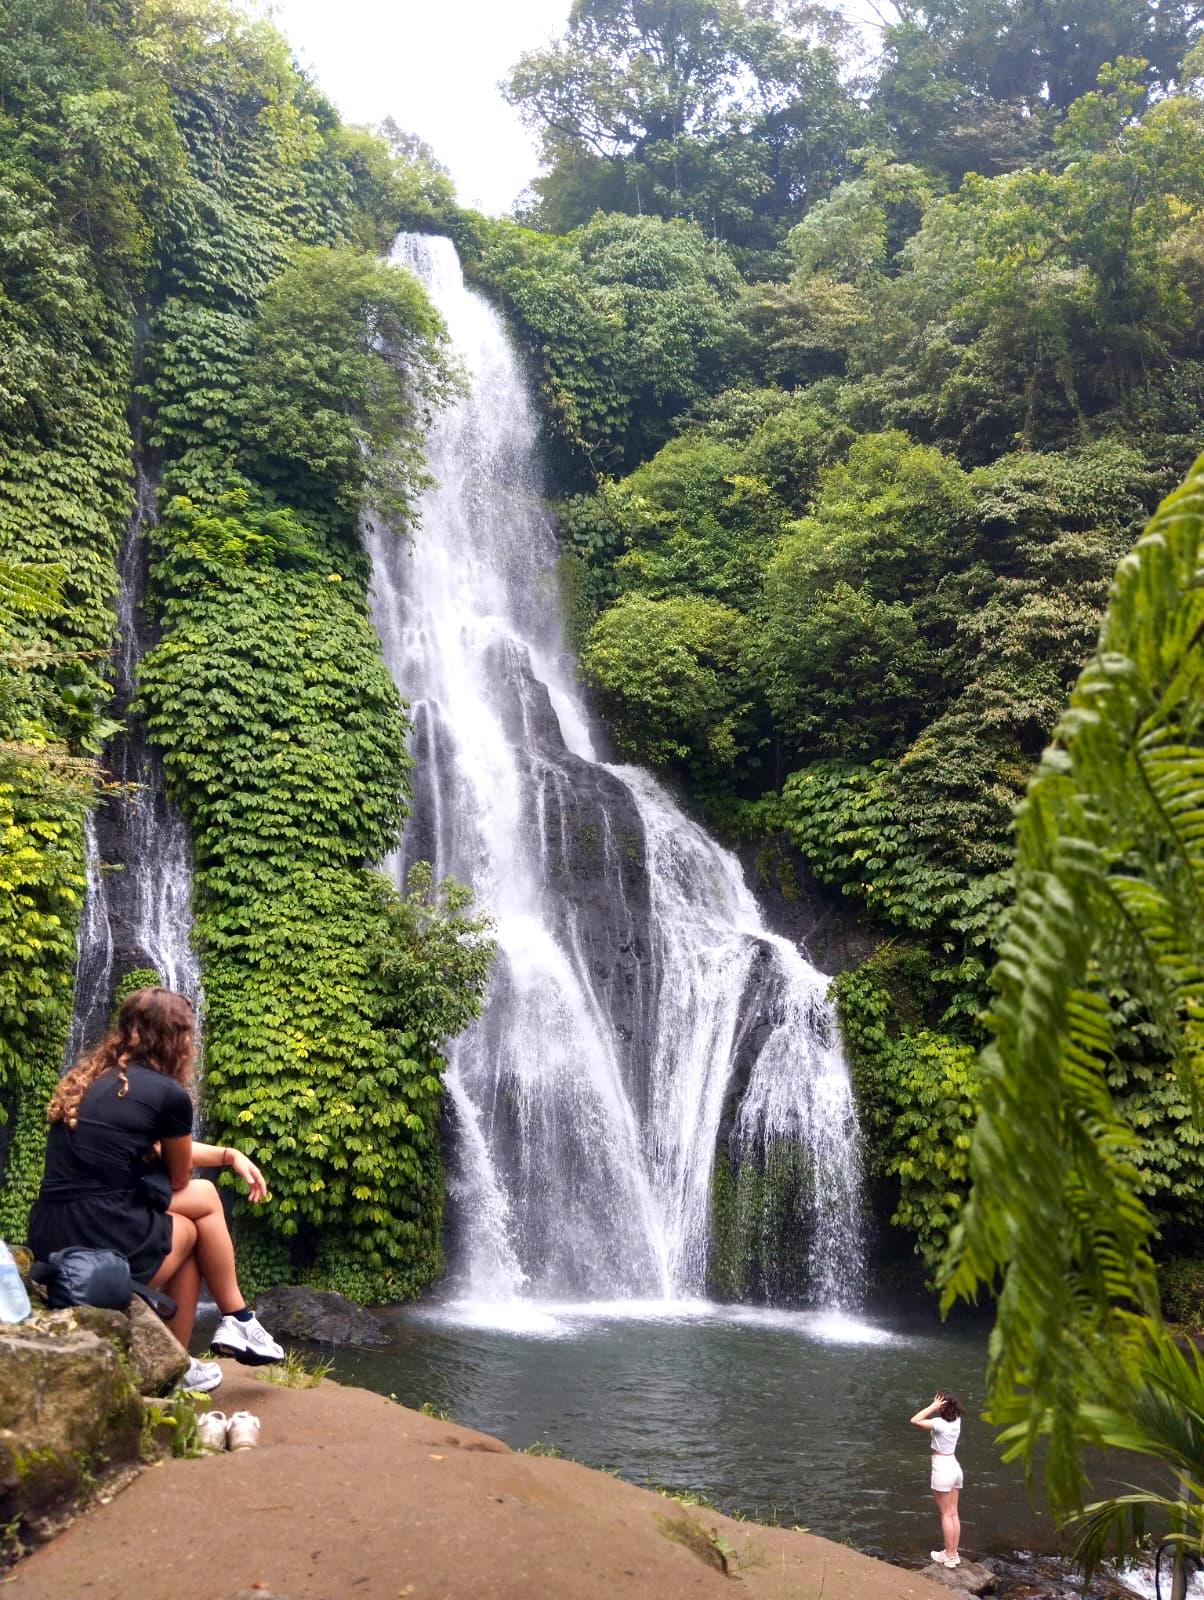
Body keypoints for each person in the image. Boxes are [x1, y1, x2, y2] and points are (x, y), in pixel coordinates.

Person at [28, 986, 284, 1392]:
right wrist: (228, 1157)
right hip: (99, 1236)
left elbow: (156, 1147)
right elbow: (180, 1177)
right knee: (203, 1203)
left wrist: (226, 1154)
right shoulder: (168, 1095)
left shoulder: (91, 1079)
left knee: (196, 1211)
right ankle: (228, 1326)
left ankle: (218, 1336)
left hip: (52, 1233)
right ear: (178, 1039)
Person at [910, 1389, 964, 1567]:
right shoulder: (957, 1420)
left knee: (946, 1514)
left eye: (936, 1402)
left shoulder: (939, 1423)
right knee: (954, 1513)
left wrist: (931, 1407)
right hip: (955, 1467)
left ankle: (948, 1556)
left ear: (941, 1406)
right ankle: (953, 1553)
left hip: (942, 1468)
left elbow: (915, 1420)